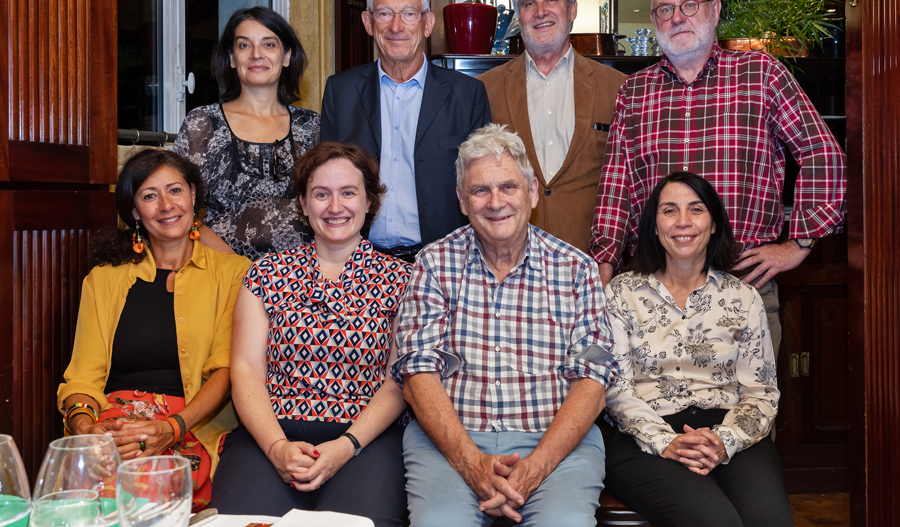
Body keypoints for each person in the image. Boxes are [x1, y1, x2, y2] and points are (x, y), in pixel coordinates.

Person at [590, 0, 847, 357]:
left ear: (715, 11)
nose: (678, 17)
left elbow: (821, 152)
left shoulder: (761, 75)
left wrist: (799, 242)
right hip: (652, 295)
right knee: (651, 413)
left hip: (743, 285)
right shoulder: (635, 91)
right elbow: (616, 184)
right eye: (665, 9)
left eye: (690, 5)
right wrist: (605, 261)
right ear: (654, 20)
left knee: (747, 412)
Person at [391, 124, 618, 526]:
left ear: (531, 192)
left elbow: (593, 381)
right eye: (480, 190)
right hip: (449, 440)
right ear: (462, 200)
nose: (496, 202)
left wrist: (535, 468)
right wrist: (471, 463)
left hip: (555, 441)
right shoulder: (433, 264)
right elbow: (417, 374)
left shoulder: (576, 269)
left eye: (508, 187)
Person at [211, 142, 412, 527]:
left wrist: (345, 446)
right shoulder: (265, 274)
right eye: (321, 194)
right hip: (271, 433)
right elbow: (246, 371)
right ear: (304, 204)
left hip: (364, 439)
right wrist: (277, 448)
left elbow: (397, 380)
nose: (335, 207)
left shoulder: (402, 280)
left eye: (348, 192)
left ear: (369, 201)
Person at [58, 149, 251, 511]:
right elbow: (82, 377)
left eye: (175, 190)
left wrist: (172, 428)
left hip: (192, 424)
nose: (166, 205)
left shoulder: (233, 273)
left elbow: (226, 370)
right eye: (149, 196)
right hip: (113, 427)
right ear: (134, 212)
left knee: (149, 496)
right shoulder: (103, 280)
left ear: (193, 195)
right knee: (90, 496)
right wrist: (86, 434)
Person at [602, 171, 792, 527]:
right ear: (654, 226)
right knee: (715, 521)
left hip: (731, 432)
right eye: (670, 210)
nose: (683, 222)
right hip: (645, 437)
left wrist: (722, 441)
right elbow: (615, 391)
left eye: (696, 209)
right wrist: (667, 442)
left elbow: (761, 392)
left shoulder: (743, 296)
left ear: (715, 223)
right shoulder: (620, 294)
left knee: (770, 521)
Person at [320, 0, 492, 262]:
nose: (396, 26)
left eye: (409, 13)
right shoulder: (341, 92)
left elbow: (484, 186)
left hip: (445, 263)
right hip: (359, 263)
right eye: (384, 13)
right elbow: (325, 183)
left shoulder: (468, 95)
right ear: (368, 23)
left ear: (427, 23)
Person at [478, 0, 626, 254]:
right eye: (528, 3)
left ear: (571, 9)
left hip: (592, 262)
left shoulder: (618, 87)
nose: (540, 12)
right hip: (508, 262)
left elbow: (629, 187)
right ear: (519, 15)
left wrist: (611, 258)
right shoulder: (483, 89)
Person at [175, 6, 320, 261]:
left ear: (286, 56)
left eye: (268, 45)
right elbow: (181, 211)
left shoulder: (313, 128)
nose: (256, 55)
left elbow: (331, 208)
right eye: (244, 46)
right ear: (231, 58)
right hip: (222, 276)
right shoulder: (204, 124)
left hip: (302, 281)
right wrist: (243, 273)